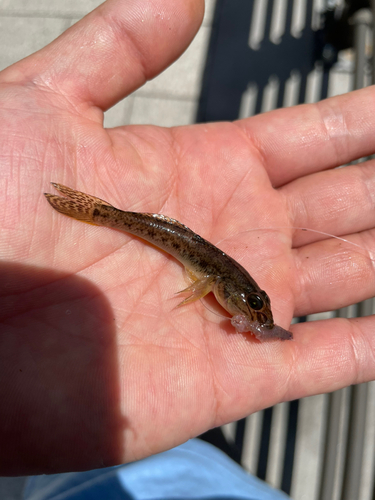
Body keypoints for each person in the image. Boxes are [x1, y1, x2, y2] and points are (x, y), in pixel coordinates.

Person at [0, 0, 374, 497]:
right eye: (253, 304)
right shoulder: (222, 284)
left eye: (255, 306)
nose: (253, 310)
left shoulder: (227, 286)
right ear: (230, 288)